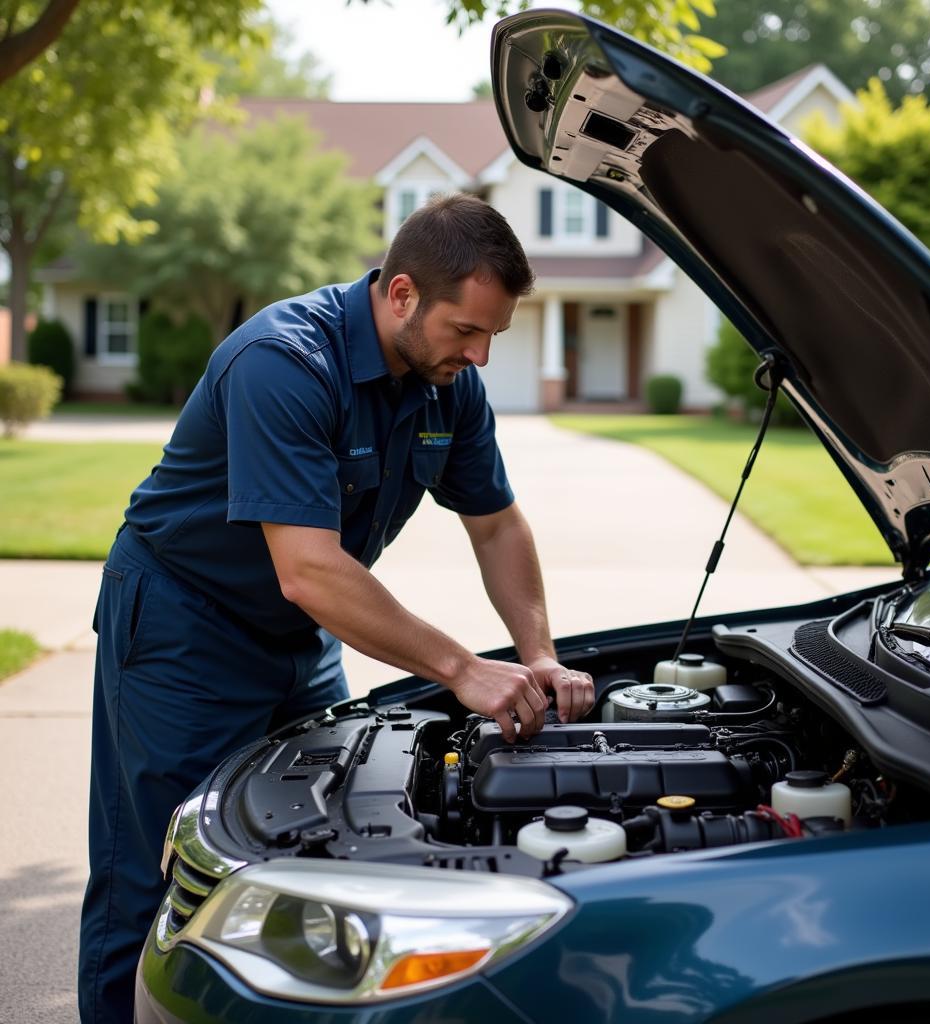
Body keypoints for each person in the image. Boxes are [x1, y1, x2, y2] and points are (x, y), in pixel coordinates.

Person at [78, 193, 595, 1022]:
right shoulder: (283, 362)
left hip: (302, 634)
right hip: (184, 624)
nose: (482, 355)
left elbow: (496, 524)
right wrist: (461, 669)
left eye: (493, 334)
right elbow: (310, 569)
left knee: (312, 856)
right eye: (467, 330)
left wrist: (537, 652)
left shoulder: (447, 385)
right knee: (155, 875)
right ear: (400, 296)